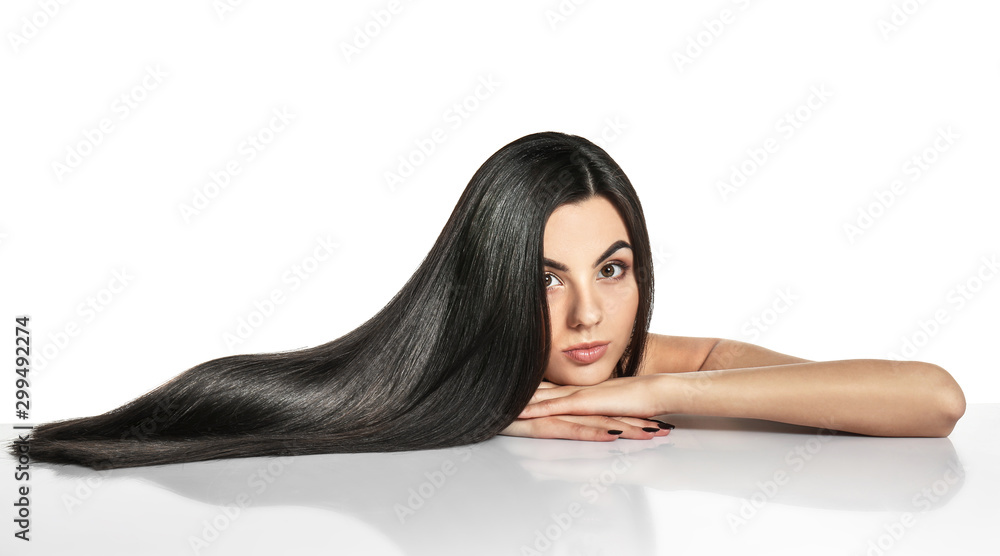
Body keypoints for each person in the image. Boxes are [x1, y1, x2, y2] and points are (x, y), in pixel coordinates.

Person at [9, 131, 965, 470]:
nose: (591, 318)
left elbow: (932, 400)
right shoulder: (435, 380)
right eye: (546, 279)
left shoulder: (662, 364)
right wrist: (481, 414)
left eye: (612, 269)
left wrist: (649, 393)